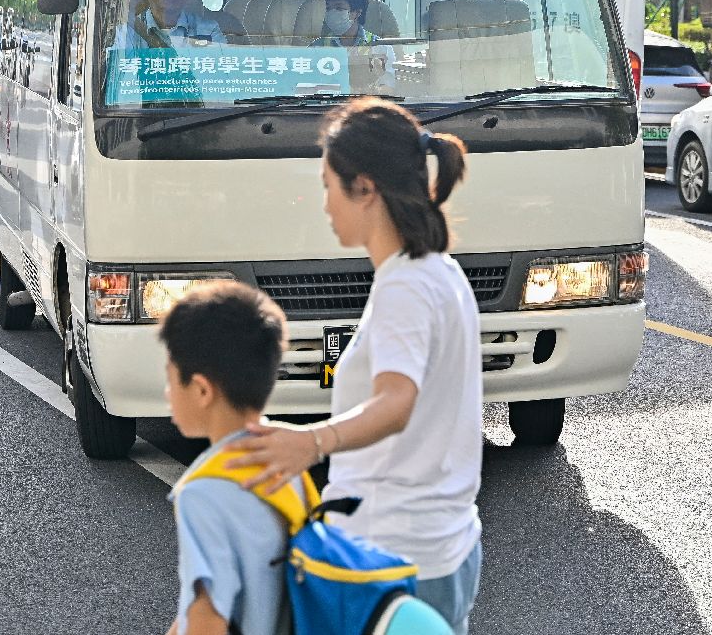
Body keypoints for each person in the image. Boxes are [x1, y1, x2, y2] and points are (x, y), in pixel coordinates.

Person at [228, 99, 482, 634]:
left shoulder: (405, 287)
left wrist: (310, 442)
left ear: (364, 188)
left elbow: (397, 402)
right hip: (443, 546)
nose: (324, 205)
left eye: (328, 186)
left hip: (393, 560)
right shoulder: (440, 272)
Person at [162, 282, 298, 635]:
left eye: (171, 380)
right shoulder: (286, 462)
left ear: (202, 390)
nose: (167, 393)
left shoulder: (202, 494)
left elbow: (207, 618)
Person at [311, 0, 396, 91]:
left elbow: (389, 88)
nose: (332, 13)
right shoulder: (316, 48)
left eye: (339, 8)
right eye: (328, 8)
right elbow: (307, 86)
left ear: (357, 12)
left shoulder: (380, 47)